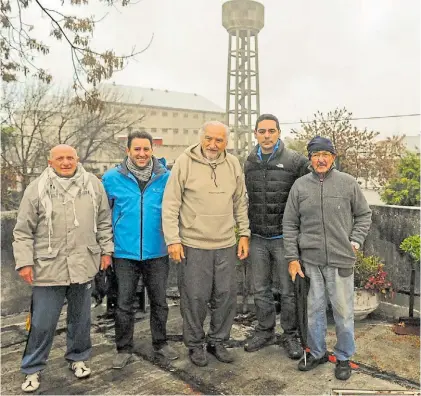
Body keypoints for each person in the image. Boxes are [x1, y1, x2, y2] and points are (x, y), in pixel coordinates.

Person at [13, 145, 113, 393]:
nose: (66, 162)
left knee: (80, 319)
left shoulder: (92, 185)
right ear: (50, 162)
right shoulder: (36, 189)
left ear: (77, 159)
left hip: (83, 263)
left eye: (70, 158)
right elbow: (23, 231)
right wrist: (24, 262)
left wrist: (106, 251)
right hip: (48, 267)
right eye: (60, 158)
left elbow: (103, 221)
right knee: (42, 322)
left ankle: (78, 358)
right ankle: (32, 368)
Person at [283, 136, 372, 380]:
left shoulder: (348, 183)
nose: (320, 159)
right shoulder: (300, 186)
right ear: (310, 158)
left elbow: (364, 215)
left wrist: (355, 241)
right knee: (314, 311)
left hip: (341, 261)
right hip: (310, 262)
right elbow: (290, 223)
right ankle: (318, 352)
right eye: (315, 155)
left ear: (333, 157)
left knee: (343, 313)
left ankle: (343, 357)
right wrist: (292, 258)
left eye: (325, 154)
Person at [162, 121, 250, 367]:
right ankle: (195, 344)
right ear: (201, 138)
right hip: (194, 243)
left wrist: (244, 234)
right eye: (209, 139)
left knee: (225, 296)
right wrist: (173, 240)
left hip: (225, 243)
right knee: (195, 298)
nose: (213, 144)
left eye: (219, 140)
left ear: (226, 142)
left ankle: (218, 341)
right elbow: (171, 204)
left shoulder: (233, 164)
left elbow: (240, 202)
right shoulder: (184, 162)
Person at [102, 131, 179, 369]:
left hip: (157, 251)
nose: (142, 154)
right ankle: (123, 348)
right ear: (128, 150)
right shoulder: (111, 178)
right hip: (125, 252)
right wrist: (106, 247)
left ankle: (161, 342)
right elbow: (103, 215)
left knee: (159, 301)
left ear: (152, 150)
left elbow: (175, 210)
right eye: (137, 149)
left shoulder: (166, 178)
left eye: (146, 149)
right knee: (124, 302)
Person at [243, 114, 309, 359]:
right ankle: (265, 330)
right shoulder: (249, 161)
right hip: (258, 236)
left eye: (271, 131)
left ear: (279, 132)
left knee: (288, 291)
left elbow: (313, 183)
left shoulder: (294, 160)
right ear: (256, 134)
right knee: (260, 289)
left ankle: (290, 335)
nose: (267, 135)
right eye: (262, 131)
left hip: (284, 238)